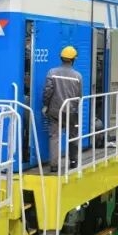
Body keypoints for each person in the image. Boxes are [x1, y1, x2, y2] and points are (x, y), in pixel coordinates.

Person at [42, 45, 84, 173]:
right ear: (73, 60)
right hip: (71, 111)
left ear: (61, 58)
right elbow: (79, 96)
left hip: (55, 111)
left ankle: (54, 165)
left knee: (54, 137)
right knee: (73, 136)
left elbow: (47, 91)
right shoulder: (78, 76)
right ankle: (73, 161)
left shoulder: (52, 73)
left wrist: (46, 106)